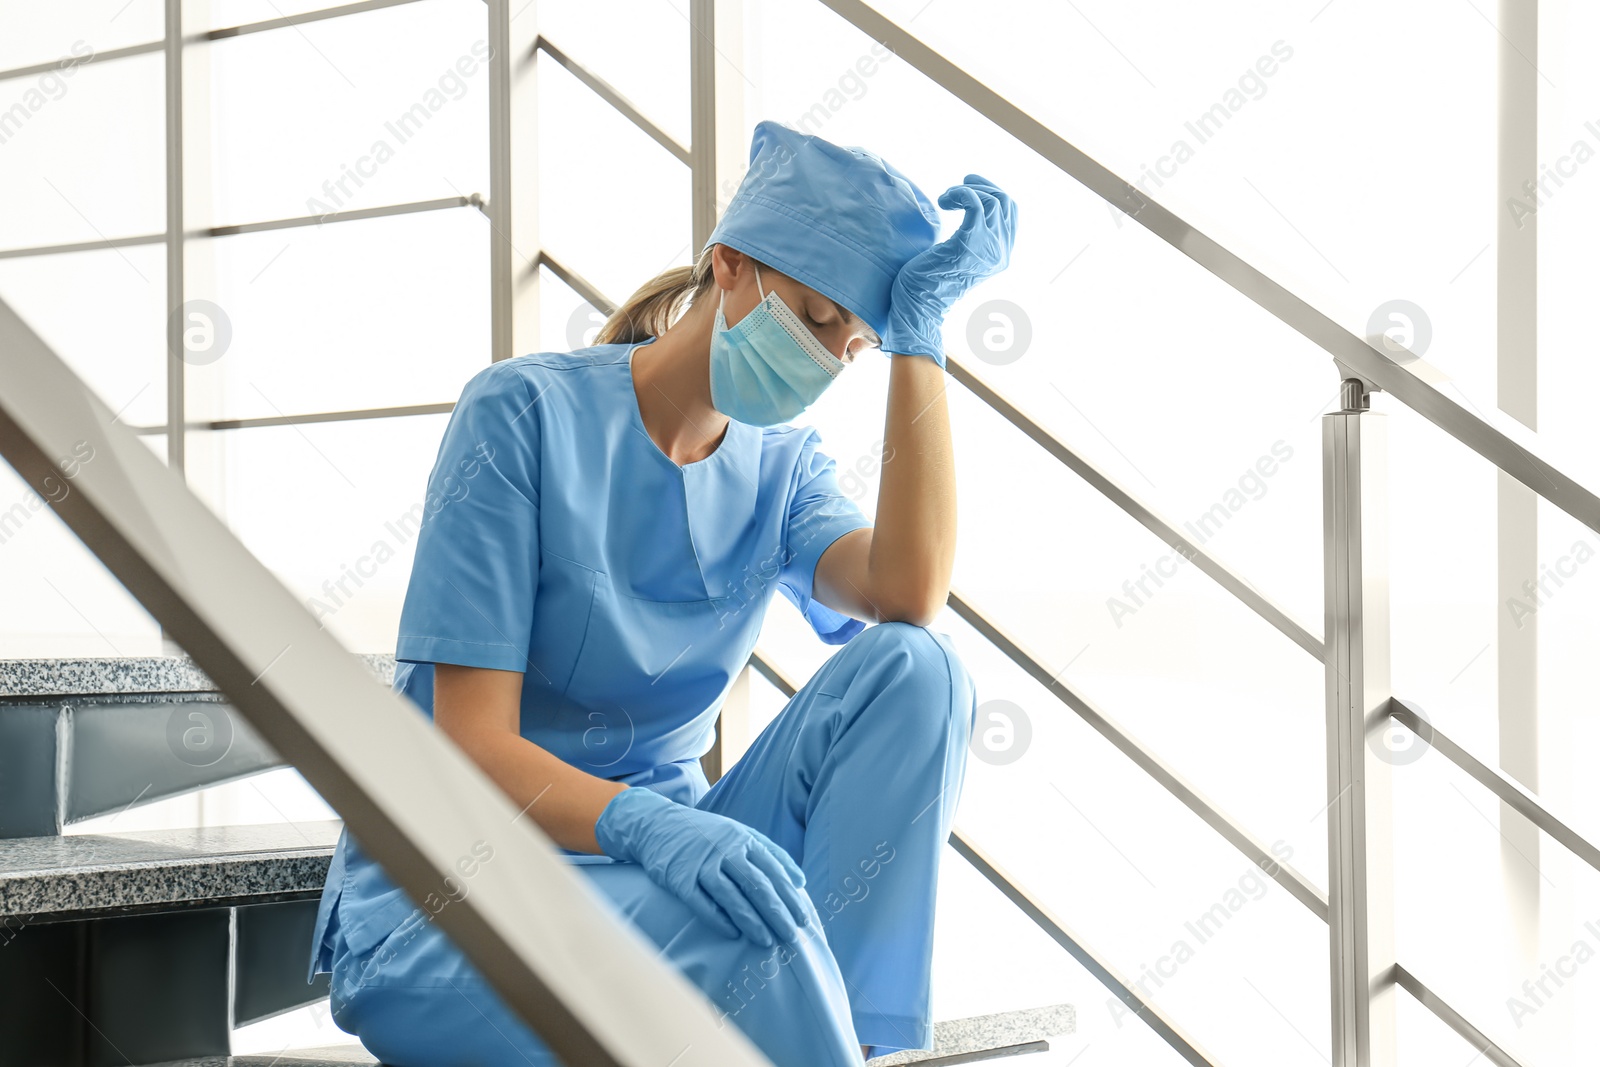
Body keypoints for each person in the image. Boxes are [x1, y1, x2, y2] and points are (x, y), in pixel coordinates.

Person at [303, 118, 1017, 1066]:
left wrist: (919, 340)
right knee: (748, 942)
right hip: (461, 889)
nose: (821, 360)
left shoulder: (781, 469)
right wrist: (642, 823)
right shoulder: (522, 415)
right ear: (726, 265)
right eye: (809, 315)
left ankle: (850, 1039)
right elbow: (469, 745)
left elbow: (910, 591)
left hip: (668, 861)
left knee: (918, 669)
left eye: (849, 347)